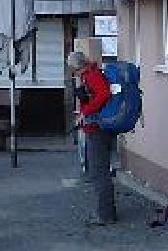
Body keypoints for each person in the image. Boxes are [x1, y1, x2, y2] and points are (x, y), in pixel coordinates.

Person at [70, 48, 117, 226]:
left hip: (97, 129)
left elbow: (104, 94)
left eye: (72, 69)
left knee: (99, 172)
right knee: (99, 170)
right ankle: (105, 212)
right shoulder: (89, 75)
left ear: (77, 67)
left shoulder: (92, 76)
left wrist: (86, 112)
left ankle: (105, 215)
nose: (72, 73)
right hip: (95, 127)